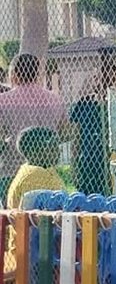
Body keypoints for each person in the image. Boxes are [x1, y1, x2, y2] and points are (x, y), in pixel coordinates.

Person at [66, 58, 116, 198]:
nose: (99, 81)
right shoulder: (84, 103)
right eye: (96, 77)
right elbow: (76, 138)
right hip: (90, 163)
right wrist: (74, 166)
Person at [0, 53, 66, 197]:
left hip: (12, 168)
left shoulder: (3, 101)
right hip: (46, 169)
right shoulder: (55, 99)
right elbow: (65, 132)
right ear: (37, 74)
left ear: (14, 74)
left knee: (12, 207)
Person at [8, 127, 65, 210]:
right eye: (53, 147)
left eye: (57, 147)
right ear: (33, 152)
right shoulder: (35, 175)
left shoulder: (42, 169)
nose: (59, 151)